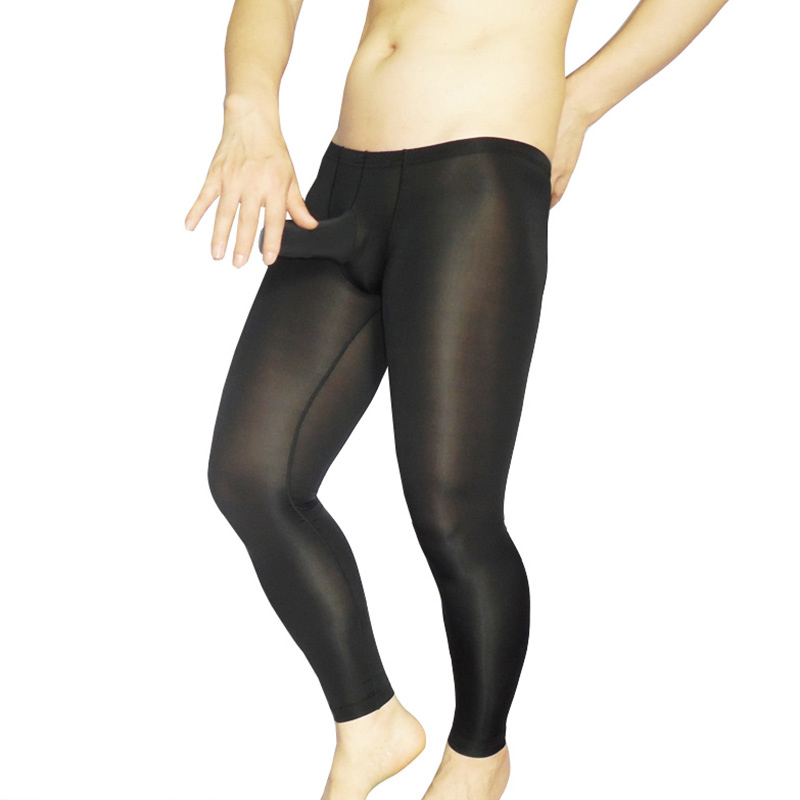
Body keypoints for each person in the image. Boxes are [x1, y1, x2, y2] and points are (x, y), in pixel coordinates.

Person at [185, 0, 730, 797]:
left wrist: (580, 100)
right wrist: (250, 108)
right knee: (251, 474)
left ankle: (479, 757)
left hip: (477, 175)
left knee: (451, 513)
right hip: (346, 178)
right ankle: (370, 723)